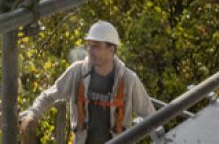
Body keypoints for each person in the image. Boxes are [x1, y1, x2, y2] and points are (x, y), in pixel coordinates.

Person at [20, 20, 155, 143]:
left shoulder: (129, 79)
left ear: (111, 50)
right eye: (89, 45)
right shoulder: (77, 72)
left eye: (96, 46)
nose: (90, 51)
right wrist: (33, 114)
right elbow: (49, 96)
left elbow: (151, 117)